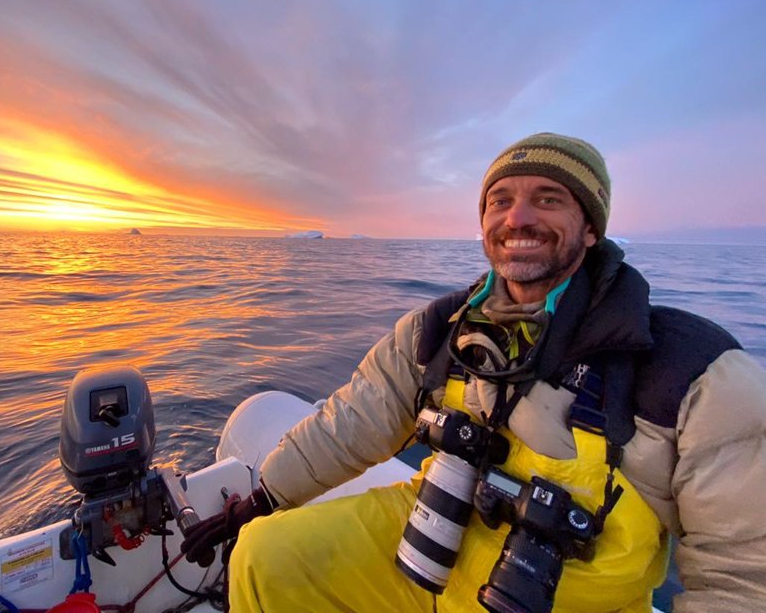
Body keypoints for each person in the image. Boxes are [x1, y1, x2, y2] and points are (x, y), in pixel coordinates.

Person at [181, 133, 766, 612]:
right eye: (500, 200)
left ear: (591, 228)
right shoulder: (436, 331)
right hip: (430, 546)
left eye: (548, 198)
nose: (519, 217)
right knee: (265, 556)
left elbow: (745, 577)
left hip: (575, 598)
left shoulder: (689, 371)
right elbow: (351, 423)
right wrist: (259, 499)